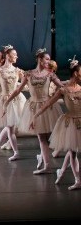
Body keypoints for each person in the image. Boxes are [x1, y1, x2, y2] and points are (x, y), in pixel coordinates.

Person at [6, 49, 65, 174]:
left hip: (47, 107)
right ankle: (46, 164)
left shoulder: (50, 75)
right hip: (33, 107)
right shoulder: (29, 74)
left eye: (49, 59)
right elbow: (18, 90)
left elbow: (62, 87)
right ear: (40, 59)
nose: (49, 61)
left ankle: (45, 159)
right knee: (41, 137)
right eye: (46, 59)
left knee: (47, 137)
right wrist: (7, 101)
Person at [37, 58, 81, 190]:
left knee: (72, 150)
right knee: (72, 151)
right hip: (71, 123)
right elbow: (49, 103)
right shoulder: (64, 90)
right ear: (75, 73)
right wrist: (36, 115)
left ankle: (61, 172)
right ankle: (78, 180)